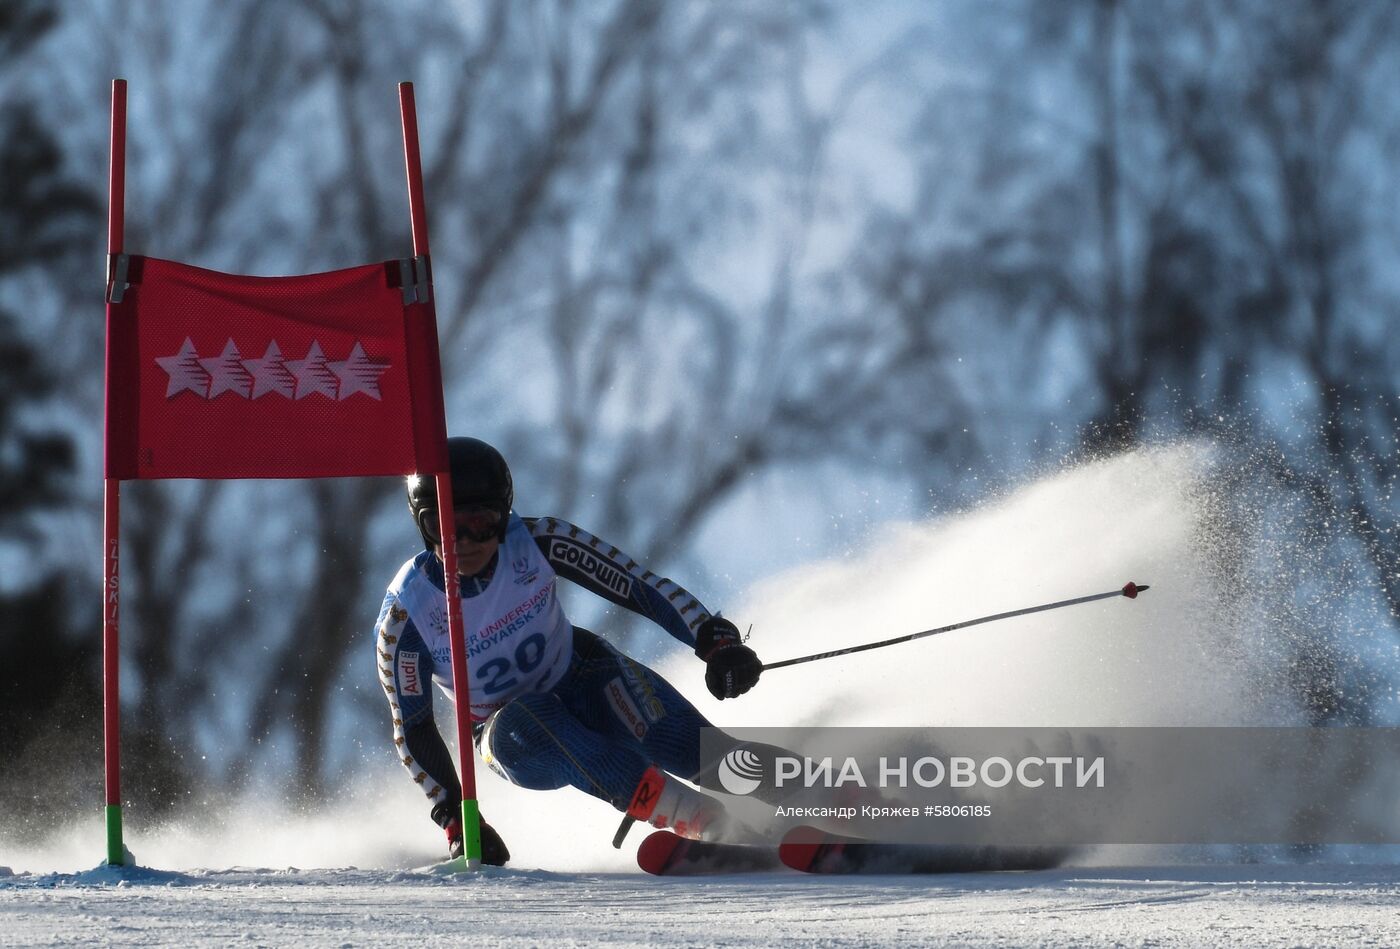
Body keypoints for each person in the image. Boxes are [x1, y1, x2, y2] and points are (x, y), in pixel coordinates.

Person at [373, 437, 766, 865]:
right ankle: (712, 823)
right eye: (444, 526)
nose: (463, 541)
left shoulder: (540, 542)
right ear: (422, 524)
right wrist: (459, 821)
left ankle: (833, 793)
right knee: (533, 717)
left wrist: (713, 639)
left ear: (503, 517)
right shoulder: (406, 616)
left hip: (586, 675)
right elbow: (412, 726)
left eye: (480, 522)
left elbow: (634, 584)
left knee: (702, 752)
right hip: (509, 735)